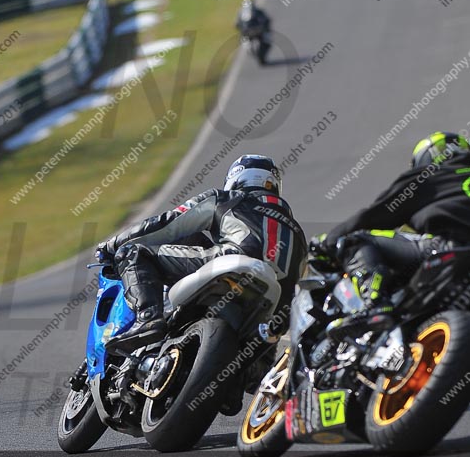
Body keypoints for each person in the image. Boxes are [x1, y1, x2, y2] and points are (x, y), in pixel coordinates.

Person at [95, 155, 307, 349]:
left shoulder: (228, 198)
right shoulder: (298, 232)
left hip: (233, 261)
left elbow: (169, 224)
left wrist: (114, 244)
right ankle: (254, 368)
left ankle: (148, 318)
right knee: (259, 367)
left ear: (236, 178)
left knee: (134, 253)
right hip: (273, 315)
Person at [314, 131, 470, 338]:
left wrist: (328, 242)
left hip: (448, 247)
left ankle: (375, 305)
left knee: (355, 240)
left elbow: (375, 216)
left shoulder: (430, 174)